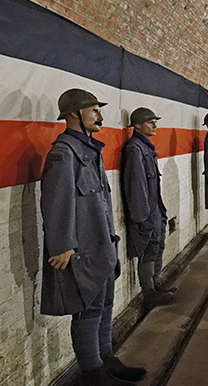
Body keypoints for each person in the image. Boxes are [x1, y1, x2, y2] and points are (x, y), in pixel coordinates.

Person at [41, 89, 145, 385]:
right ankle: (92, 373)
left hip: (100, 244)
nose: (100, 115)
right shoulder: (64, 153)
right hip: (82, 250)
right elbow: (56, 201)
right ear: (74, 114)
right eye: (94, 110)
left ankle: (105, 359)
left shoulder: (86, 150)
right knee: (87, 310)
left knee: (104, 306)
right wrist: (62, 246)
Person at [122, 107, 175, 310]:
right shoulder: (135, 149)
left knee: (157, 247)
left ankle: (157, 283)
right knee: (148, 251)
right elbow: (136, 186)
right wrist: (142, 217)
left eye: (155, 121)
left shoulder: (146, 147)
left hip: (155, 209)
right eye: (150, 122)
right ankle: (149, 292)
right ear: (137, 125)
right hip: (146, 212)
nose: (155, 125)